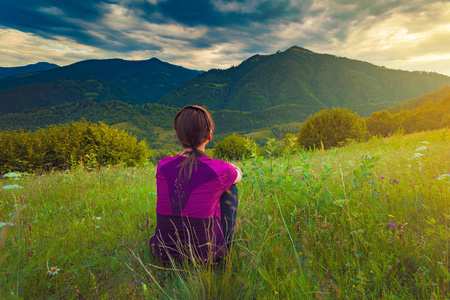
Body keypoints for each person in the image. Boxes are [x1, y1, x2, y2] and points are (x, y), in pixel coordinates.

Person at [150, 105, 242, 264]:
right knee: (230, 188)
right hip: (205, 256)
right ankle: (227, 245)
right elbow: (238, 175)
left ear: (178, 136)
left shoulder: (163, 166)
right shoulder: (219, 170)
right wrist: (227, 169)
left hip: (163, 253)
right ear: (209, 136)